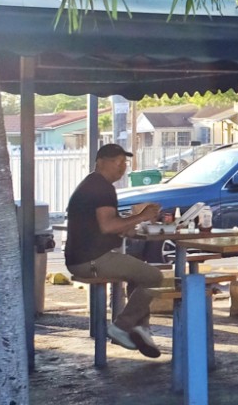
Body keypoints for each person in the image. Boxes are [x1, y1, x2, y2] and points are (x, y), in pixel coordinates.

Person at [64, 143, 163, 358]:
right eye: (116, 162)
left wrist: (128, 227)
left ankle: (141, 329)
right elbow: (107, 226)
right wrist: (142, 216)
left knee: (138, 274)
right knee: (154, 276)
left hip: (85, 256)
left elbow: (105, 226)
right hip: (91, 259)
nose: (121, 168)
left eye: (124, 163)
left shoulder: (93, 184)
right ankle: (122, 325)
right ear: (100, 162)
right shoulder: (101, 187)